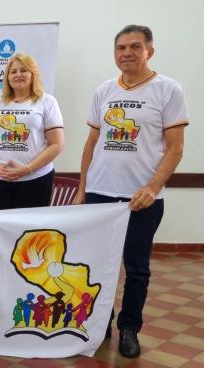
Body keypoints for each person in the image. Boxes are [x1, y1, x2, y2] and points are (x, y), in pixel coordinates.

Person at [74, 25, 188, 358]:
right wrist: (82, 189)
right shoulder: (104, 90)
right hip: (98, 195)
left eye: (135, 46)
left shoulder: (168, 90)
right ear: (114, 53)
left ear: (149, 51)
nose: (126, 52)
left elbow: (176, 148)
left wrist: (153, 187)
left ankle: (129, 327)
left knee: (136, 268)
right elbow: (92, 142)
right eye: (121, 47)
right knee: (94, 265)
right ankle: (98, 323)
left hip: (141, 199)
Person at [0, 53, 64, 210]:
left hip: (35, 179)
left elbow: (57, 144)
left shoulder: (47, 101)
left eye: (24, 70)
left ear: (33, 74)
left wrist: (28, 169)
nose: (18, 75)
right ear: (7, 76)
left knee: (29, 231)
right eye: (13, 71)